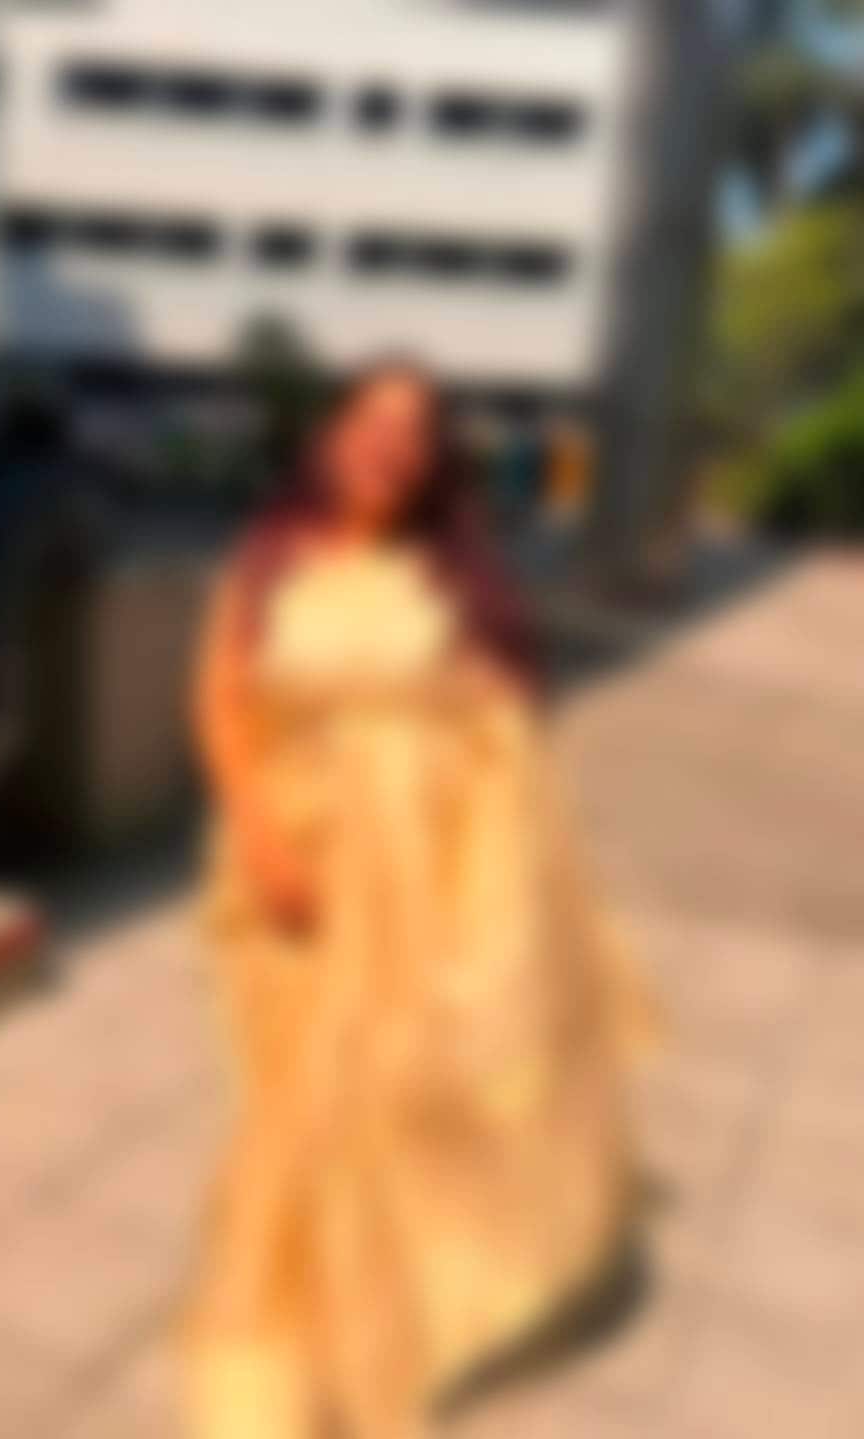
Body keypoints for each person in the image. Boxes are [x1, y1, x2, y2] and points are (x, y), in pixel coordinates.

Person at [183, 359, 659, 1438]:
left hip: (418, 876)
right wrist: (259, 834)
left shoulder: (456, 579)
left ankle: (354, 1329)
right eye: (371, 419)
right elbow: (217, 700)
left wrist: (491, 882)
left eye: (414, 430)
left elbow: (502, 735)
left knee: (383, 1101)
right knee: (292, 1101)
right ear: (331, 435)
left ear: (433, 460)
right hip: (292, 864)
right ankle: (282, 1332)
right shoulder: (266, 558)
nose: (389, 443)